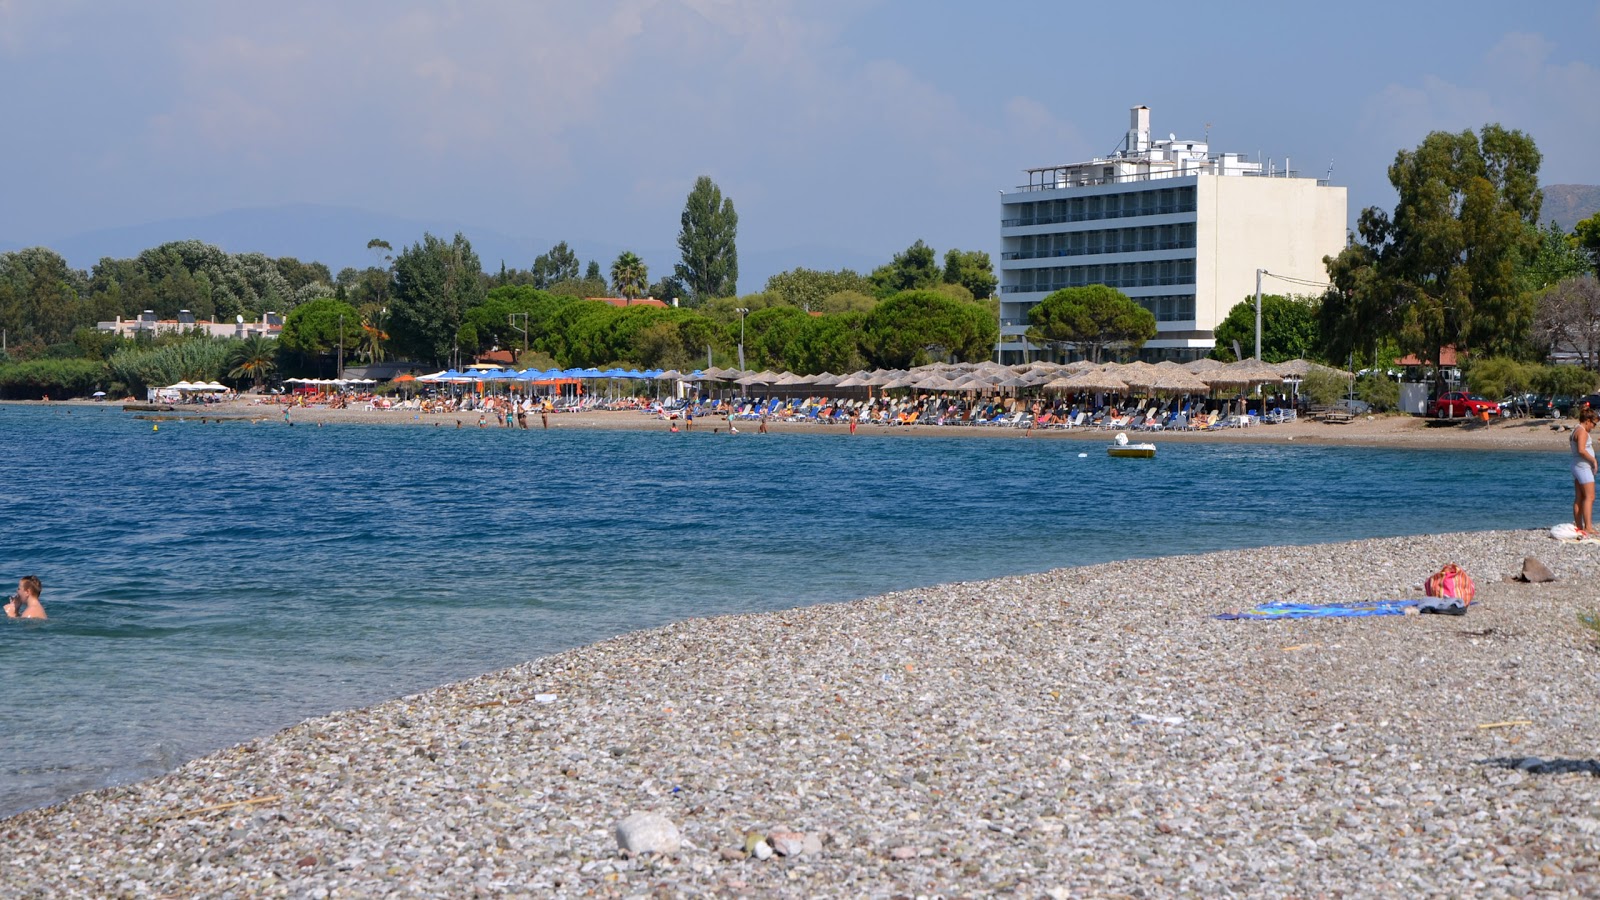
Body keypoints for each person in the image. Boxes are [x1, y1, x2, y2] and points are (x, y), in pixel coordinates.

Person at [1573, 406, 1599, 535]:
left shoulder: (1576, 430)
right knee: (1590, 496)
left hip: (1578, 466)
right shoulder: (1582, 431)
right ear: (1587, 420)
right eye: (1594, 424)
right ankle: (1588, 526)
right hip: (1583, 467)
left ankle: (1579, 526)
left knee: (1580, 497)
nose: (1593, 427)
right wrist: (1593, 460)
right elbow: (1581, 450)